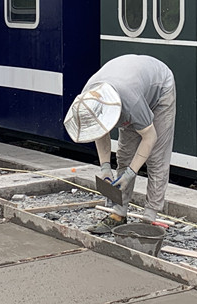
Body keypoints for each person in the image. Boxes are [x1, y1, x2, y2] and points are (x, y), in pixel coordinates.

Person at [64, 55, 176, 234]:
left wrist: (131, 173)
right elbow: (99, 130)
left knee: (156, 157)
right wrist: (105, 167)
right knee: (124, 155)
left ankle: (149, 217)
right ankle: (119, 214)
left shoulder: (131, 102)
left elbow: (150, 137)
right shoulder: (89, 95)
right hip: (133, 86)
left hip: (159, 87)